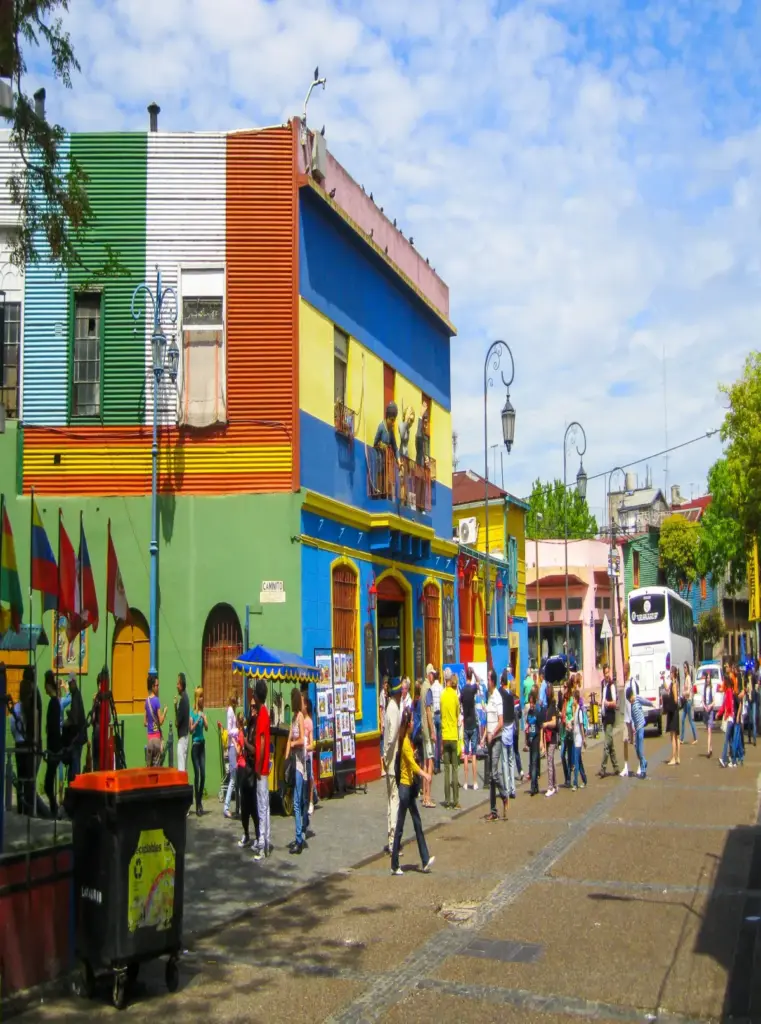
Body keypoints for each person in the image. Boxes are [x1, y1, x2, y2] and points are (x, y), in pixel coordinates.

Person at [390, 708, 434, 876]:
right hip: (405, 789)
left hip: (407, 789)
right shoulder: (405, 743)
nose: (414, 723)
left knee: (417, 823)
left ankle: (425, 859)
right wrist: (425, 775)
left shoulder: (407, 740)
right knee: (401, 826)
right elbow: (413, 766)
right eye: (412, 722)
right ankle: (395, 864)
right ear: (408, 724)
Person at [285, 687, 307, 854]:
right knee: (295, 800)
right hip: (293, 761)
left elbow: (300, 740)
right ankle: (299, 834)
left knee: (297, 801)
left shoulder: (300, 718)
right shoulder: (293, 718)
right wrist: (285, 758)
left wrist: (292, 745)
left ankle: (299, 838)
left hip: (300, 763)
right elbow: (289, 739)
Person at [484, 669, 508, 820]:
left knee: (493, 772)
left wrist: (492, 733)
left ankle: (504, 795)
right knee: (491, 777)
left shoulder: (497, 697)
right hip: (489, 739)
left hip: (497, 738)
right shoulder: (490, 696)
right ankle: (493, 811)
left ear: (492, 681)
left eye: (488, 679)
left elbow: (501, 721)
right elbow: (489, 720)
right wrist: (484, 735)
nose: (487, 681)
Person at [382, 679, 402, 854]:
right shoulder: (394, 709)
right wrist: (388, 758)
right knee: (394, 801)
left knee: (390, 801)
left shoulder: (389, 708)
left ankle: (391, 839)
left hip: (389, 762)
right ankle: (394, 840)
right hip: (393, 762)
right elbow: (392, 737)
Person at [253, 680, 271, 860]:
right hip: (263, 766)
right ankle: (265, 841)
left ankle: (262, 843)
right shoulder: (263, 713)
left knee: (262, 806)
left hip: (262, 768)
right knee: (264, 805)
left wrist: (258, 766)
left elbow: (264, 742)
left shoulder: (263, 715)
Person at [238, 701, 260, 849]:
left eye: (253, 706)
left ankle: (258, 836)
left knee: (253, 806)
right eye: (250, 706)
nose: (251, 708)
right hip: (246, 768)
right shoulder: (250, 725)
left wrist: (245, 743)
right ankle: (246, 834)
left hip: (253, 770)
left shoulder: (257, 726)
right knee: (244, 806)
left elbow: (255, 750)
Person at [440, 668, 460, 809]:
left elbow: (441, 714)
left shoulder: (442, 696)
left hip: (445, 735)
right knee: (454, 769)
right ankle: (455, 800)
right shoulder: (455, 696)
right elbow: (457, 714)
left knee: (446, 770)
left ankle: (446, 800)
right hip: (453, 735)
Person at [43, 671, 61, 818]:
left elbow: (53, 728)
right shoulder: (54, 702)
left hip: (54, 748)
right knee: (49, 781)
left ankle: (54, 809)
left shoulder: (53, 703)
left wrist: (52, 750)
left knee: (48, 783)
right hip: (53, 747)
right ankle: (53, 808)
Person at [599, 666, 622, 777]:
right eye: (605, 673)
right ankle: (616, 767)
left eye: (608, 672)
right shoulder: (603, 684)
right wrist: (601, 704)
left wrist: (608, 703)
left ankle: (603, 768)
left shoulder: (612, 686)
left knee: (606, 744)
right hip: (604, 717)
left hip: (610, 717)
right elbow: (602, 699)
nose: (607, 675)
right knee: (610, 743)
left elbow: (614, 702)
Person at [63, 675, 86, 783]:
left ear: (73, 683)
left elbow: (75, 719)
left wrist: (66, 721)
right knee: (74, 763)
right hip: (78, 737)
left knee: (75, 764)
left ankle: (75, 785)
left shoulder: (76, 697)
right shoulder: (76, 695)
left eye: (69, 683)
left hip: (77, 737)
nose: (68, 685)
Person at [190, 687, 208, 815]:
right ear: (197, 698)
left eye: (203, 696)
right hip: (195, 746)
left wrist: (205, 719)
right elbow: (190, 730)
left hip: (202, 745)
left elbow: (206, 728)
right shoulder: (192, 713)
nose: (202, 699)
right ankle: (197, 805)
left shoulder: (202, 712)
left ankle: (200, 800)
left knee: (204, 775)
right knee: (197, 775)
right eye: (200, 696)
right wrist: (197, 720)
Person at [499, 670, 517, 800]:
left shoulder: (501, 695)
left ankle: (506, 789)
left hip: (504, 729)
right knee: (511, 760)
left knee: (505, 761)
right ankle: (513, 788)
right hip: (511, 730)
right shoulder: (511, 696)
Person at [461, 668, 479, 790]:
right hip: (473, 723)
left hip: (466, 724)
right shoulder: (472, 689)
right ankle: (475, 782)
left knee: (466, 754)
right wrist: (474, 672)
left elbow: (460, 702)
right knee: (474, 755)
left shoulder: (463, 690)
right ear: (471, 676)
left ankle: (466, 782)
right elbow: (478, 681)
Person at [420, 666, 436, 808]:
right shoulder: (428, 689)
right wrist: (433, 731)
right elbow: (429, 711)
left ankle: (425, 795)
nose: (433, 677)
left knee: (425, 762)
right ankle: (428, 796)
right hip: (427, 731)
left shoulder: (422, 688)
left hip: (423, 730)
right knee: (430, 762)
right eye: (433, 674)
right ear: (429, 674)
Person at [222, 692, 239, 819]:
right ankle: (226, 806)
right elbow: (229, 731)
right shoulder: (230, 712)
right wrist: (237, 731)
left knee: (236, 777)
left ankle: (237, 806)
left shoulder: (232, 711)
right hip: (232, 747)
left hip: (234, 745)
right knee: (233, 777)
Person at [144, 674, 166, 768]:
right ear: (152, 686)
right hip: (157, 738)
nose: (158, 687)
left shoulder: (146, 701)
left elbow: (144, 722)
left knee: (149, 768)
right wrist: (164, 712)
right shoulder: (156, 701)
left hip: (149, 739)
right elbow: (160, 721)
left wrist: (150, 723)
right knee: (156, 769)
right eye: (157, 685)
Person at [628, 679, 647, 779]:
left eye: (630, 699)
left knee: (640, 749)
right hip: (637, 728)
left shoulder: (637, 699)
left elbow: (645, 702)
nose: (630, 701)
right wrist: (633, 729)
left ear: (632, 695)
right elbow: (633, 718)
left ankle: (643, 770)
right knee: (637, 750)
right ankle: (644, 762)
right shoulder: (631, 706)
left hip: (641, 727)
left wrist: (652, 704)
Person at [620, 662, 635, 778]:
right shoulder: (625, 683)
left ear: (627, 669)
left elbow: (633, 700)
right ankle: (626, 766)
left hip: (632, 717)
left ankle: (640, 764)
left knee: (635, 743)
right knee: (625, 741)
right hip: (625, 717)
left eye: (624, 669)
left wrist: (633, 719)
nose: (623, 671)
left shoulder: (631, 682)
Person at [543, 685, 559, 797]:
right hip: (548, 737)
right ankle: (555, 784)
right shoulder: (548, 706)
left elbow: (554, 723)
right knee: (551, 761)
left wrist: (546, 724)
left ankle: (550, 787)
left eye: (548, 692)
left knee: (549, 760)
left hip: (552, 737)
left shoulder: (553, 706)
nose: (546, 694)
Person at [525, 690, 541, 796]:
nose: (531, 705)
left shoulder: (537, 713)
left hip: (536, 739)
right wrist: (526, 739)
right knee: (532, 763)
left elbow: (540, 727)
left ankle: (532, 786)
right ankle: (536, 786)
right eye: (529, 703)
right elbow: (527, 725)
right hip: (530, 741)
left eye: (532, 703)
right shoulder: (529, 713)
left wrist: (541, 742)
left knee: (534, 764)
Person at [303, 696, 316, 826]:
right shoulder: (300, 719)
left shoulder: (309, 721)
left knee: (310, 775)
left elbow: (311, 742)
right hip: (302, 754)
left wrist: (306, 748)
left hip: (308, 753)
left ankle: (311, 800)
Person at [571, 689, 587, 790]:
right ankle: (584, 779)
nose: (572, 700)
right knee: (579, 761)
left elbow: (581, 726)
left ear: (576, 699)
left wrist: (584, 739)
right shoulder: (576, 710)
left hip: (578, 738)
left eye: (573, 698)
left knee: (576, 760)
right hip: (575, 736)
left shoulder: (579, 711)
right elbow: (575, 724)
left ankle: (575, 783)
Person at [719, 675, 736, 768]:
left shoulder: (729, 691)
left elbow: (729, 706)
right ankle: (733, 761)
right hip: (731, 718)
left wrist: (726, 715)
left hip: (730, 718)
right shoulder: (729, 691)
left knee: (726, 739)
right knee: (730, 740)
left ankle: (723, 758)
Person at [175, 673, 190, 774]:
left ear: (181, 685)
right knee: (184, 765)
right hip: (185, 735)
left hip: (182, 737)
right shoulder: (186, 698)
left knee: (181, 767)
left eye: (178, 683)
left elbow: (177, 722)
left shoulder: (183, 700)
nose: (176, 686)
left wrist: (175, 707)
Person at [666, 667, 680, 766]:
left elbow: (675, 699)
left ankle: (674, 758)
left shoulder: (674, 684)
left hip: (673, 712)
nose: (670, 674)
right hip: (674, 712)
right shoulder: (672, 683)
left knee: (673, 736)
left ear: (673, 673)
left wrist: (669, 699)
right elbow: (667, 689)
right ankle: (677, 757)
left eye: (671, 672)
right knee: (676, 736)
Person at [680, 661, 697, 744]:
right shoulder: (686, 677)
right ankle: (682, 738)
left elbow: (689, 691)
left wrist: (683, 693)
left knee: (690, 720)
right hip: (686, 701)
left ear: (688, 668)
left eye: (685, 667)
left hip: (688, 701)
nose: (684, 669)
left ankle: (695, 738)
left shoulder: (688, 678)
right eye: (684, 667)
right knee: (682, 719)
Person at [431, 669, 443, 774]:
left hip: (433, 715)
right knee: (439, 740)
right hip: (439, 715)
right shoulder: (441, 688)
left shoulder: (431, 688)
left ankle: (434, 764)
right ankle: (438, 765)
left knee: (434, 741)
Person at [703, 670, 716, 759]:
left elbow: (714, 701)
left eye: (709, 678)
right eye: (707, 678)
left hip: (710, 711)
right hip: (706, 711)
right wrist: (704, 706)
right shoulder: (704, 688)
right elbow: (703, 700)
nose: (708, 679)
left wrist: (710, 706)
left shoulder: (712, 688)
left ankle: (708, 750)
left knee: (709, 731)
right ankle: (711, 748)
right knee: (708, 730)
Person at [379, 677, 389, 776]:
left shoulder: (388, 694)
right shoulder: (382, 694)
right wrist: (381, 724)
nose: (386, 686)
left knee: (387, 745)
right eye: (385, 684)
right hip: (384, 723)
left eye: (387, 684)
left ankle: (387, 766)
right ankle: (382, 767)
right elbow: (381, 710)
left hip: (388, 722)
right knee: (383, 745)